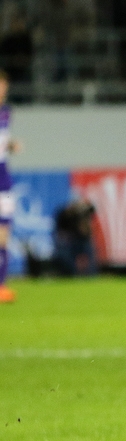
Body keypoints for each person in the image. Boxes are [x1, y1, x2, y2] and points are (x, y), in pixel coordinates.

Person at [0, 70, 22, 302]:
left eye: (4, 86)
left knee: (4, 234)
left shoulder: (6, 112)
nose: (2, 90)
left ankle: (1, 285)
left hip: (4, 179)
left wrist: (11, 146)